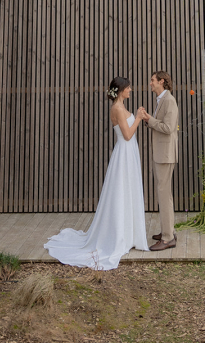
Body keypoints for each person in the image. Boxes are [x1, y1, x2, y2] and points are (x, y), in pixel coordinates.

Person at [44, 76, 149, 270]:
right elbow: (127, 135)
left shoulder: (122, 107)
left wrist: (137, 115)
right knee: (121, 192)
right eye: (128, 88)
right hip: (124, 153)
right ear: (120, 90)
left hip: (130, 153)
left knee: (129, 191)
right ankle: (119, 234)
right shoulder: (117, 109)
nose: (131, 90)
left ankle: (129, 232)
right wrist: (139, 118)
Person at [138, 70, 179, 250]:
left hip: (165, 154)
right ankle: (167, 231)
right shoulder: (161, 100)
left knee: (164, 194)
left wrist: (149, 119)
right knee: (164, 194)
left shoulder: (169, 101)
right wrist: (149, 120)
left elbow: (169, 128)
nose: (150, 83)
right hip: (162, 153)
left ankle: (168, 238)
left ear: (162, 81)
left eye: (152, 80)